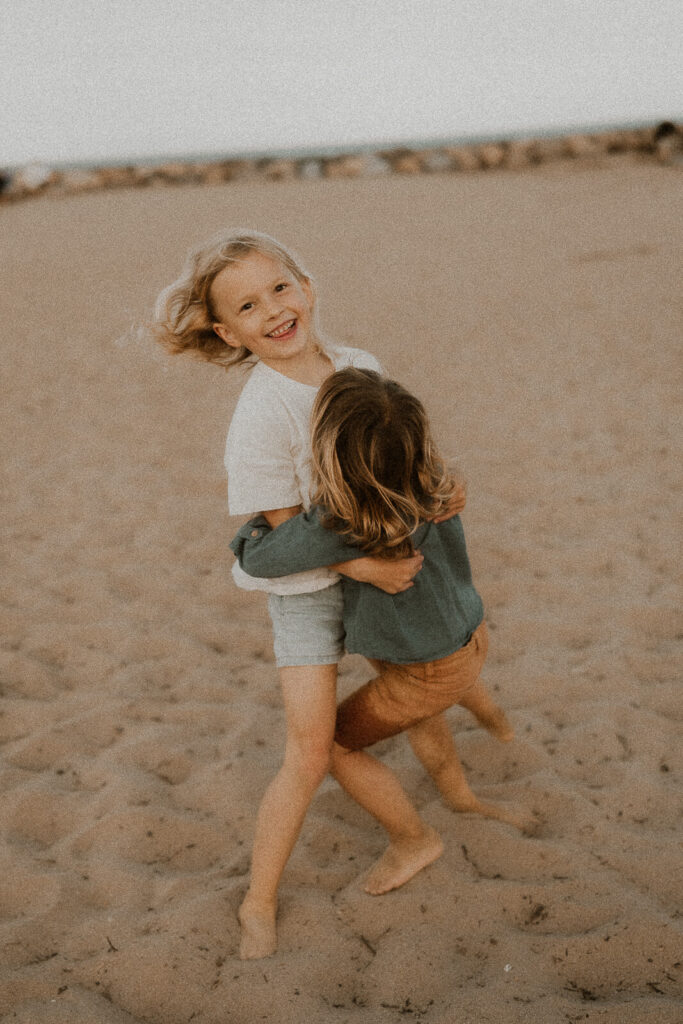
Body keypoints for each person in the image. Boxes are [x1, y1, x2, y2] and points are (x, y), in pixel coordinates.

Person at [150, 231, 445, 960]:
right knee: (309, 754)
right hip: (313, 588)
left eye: (280, 289)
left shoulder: (360, 366)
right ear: (227, 331)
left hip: (380, 563)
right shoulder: (259, 414)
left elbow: (396, 457)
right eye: (248, 306)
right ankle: (259, 902)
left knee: (420, 689)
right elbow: (288, 537)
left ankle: (449, 807)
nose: (274, 311)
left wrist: (429, 503)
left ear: (306, 286)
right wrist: (364, 571)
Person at [231, 367, 534, 860]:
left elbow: (259, 558)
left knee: (331, 747)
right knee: (430, 710)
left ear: (329, 454)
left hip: (426, 670)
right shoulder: (432, 481)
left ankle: (413, 842)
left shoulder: (340, 519)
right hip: (470, 635)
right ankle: (476, 765)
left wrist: (256, 528)